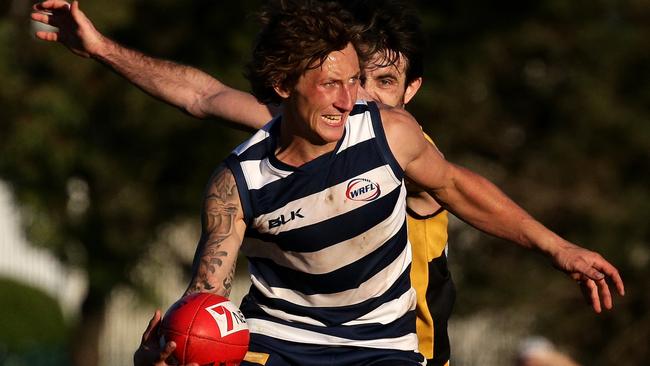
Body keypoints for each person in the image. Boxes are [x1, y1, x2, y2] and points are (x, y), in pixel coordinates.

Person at [31, 1, 625, 365]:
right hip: (284, 338)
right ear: (287, 88)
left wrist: (558, 246)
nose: (356, 98)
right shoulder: (248, 168)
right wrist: (101, 45)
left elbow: (463, 190)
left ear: (410, 91)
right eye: (343, 80)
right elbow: (202, 95)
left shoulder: (393, 137)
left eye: (375, 82)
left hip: (397, 342)